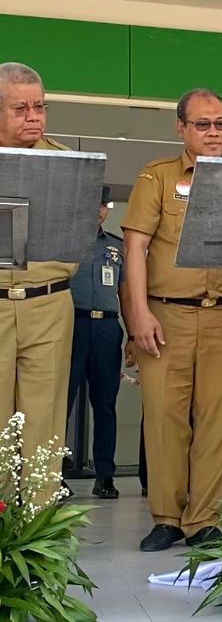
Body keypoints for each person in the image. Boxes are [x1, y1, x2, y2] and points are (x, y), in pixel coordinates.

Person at [122, 88, 222, 552]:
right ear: (181, 128)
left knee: (219, 420)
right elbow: (135, 248)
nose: (213, 132)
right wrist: (138, 313)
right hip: (166, 315)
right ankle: (167, 517)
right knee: (165, 419)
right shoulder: (157, 177)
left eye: (221, 123)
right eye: (202, 124)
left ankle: (204, 517)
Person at [0, 62, 76, 486]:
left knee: (43, 427)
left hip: (48, 302)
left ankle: (38, 542)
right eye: (20, 108)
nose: (34, 117)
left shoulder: (66, 163)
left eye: (40, 107)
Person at [66, 185, 127, 499]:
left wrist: (131, 335)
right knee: (63, 402)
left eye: (104, 204)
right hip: (71, 325)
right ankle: (55, 474)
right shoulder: (64, 242)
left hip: (106, 328)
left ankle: (105, 475)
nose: (100, 210)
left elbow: (126, 294)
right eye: (94, 203)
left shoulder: (116, 247)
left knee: (105, 405)